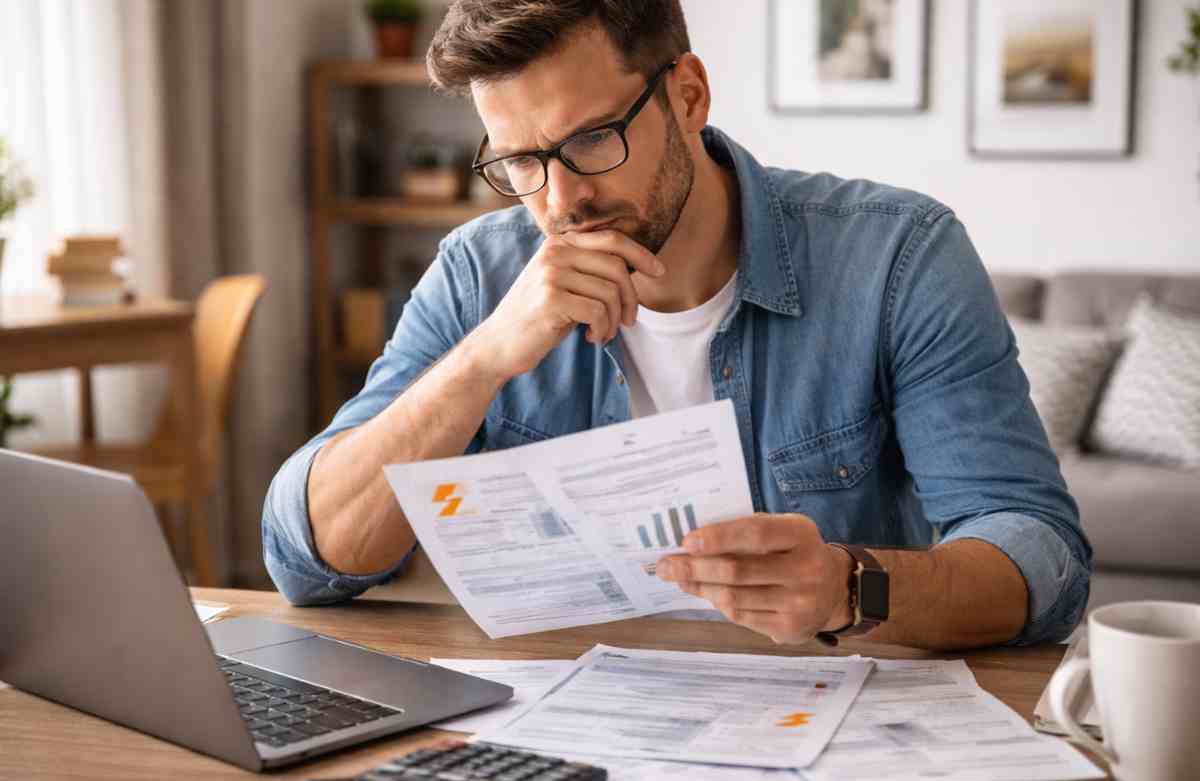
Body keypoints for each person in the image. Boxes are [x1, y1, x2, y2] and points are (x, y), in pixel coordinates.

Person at [263, 0, 1090, 651]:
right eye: (520, 161)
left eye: (592, 139)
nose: (560, 201)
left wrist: (851, 588)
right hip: (557, 727)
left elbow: (1039, 557)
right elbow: (306, 558)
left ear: (688, 95)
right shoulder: (482, 271)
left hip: (824, 722)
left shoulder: (898, 257)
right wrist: (480, 363)